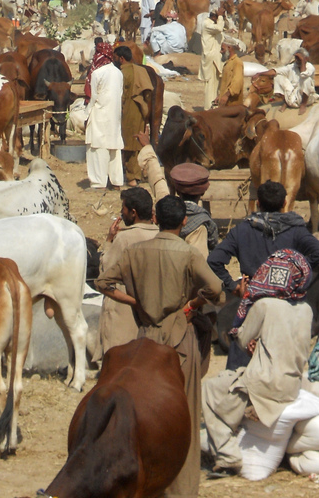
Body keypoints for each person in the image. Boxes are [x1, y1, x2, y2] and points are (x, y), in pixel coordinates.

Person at [95, 196, 225, 498]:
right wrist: (191, 305)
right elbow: (216, 290)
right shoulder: (189, 253)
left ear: (156, 219)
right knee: (185, 419)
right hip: (180, 340)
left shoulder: (134, 251)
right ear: (182, 222)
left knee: (143, 419)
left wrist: (135, 302)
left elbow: (103, 283)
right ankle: (180, 491)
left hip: (144, 342)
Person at [201, 249, 314, 478]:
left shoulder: (264, 306)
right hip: (292, 384)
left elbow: (242, 340)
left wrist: (245, 300)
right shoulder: (307, 310)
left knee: (209, 391)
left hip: (264, 383)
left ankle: (228, 456)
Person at [208, 179, 319, 295]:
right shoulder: (296, 229)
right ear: (284, 203)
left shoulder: (242, 230)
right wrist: (295, 270)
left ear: (258, 203)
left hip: (252, 293)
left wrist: (233, 286)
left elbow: (213, 260)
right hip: (286, 293)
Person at [94, 186, 158, 361]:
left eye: (123, 209)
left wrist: (109, 241)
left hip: (126, 314)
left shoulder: (124, 239)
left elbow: (105, 272)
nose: (121, 214)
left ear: (133, 212)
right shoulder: (160, 234)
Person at [85, 42, 124, 190]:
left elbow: (93, 97)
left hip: (99, 114)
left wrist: (86, 114)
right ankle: (116, 182)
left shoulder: (97, 73)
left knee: (97, 149)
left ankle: (98, 183)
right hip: (114, 115)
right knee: (114, 148)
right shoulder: (118, 73)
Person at [115, 46, 153, 185]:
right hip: (140, 110)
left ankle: (132, 178)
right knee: (138, 142)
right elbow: (148, 93)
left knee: (128, 143)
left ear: (121, 58)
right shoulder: (141, 70)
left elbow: (121, 95)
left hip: (127, 111)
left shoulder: (121, 73)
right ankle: (139, 173)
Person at [261, 48, 317, 113]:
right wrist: (259, 73)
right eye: (296, 58)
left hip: (306, 98)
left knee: (307, 79)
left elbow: (303, 75)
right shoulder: (292, 66)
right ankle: (286, 102)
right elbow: (275, 71)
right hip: (292, 96)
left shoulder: (310, 67)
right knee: (278, 76)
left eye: (299, 58)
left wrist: (302, 62)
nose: (297, 60)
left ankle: (303, 105)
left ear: (306, 59)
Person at [199, 10, 224, 110]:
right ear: (214, 16)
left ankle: (215, 106)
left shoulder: (213, 24)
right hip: (211, 58)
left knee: (217, 84)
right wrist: (221, 17)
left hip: (216, 57)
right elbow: (219, 29)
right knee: (211, 85)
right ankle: (208, 107)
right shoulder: (207, 24)